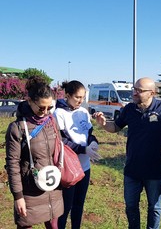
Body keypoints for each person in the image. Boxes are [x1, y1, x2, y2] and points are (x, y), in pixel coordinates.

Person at [93, 77, 161, 229]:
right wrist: (103, 124)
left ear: (151, 93)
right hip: (132, 169)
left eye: (139, 91)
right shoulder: (129, 109)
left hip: (155, 169)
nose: (134, 93)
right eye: (134, 89)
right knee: (130, 206)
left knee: (154, 208)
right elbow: (115, 127)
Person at [5, 76, 64, 229]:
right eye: (41, 108)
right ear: (29, 101)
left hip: (52, 188)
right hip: (29, 192)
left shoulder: (52, 121)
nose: (45, 112)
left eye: (49, 108)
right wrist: (18, 197)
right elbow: (12, 165)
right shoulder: (17, 128)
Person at [53, 80, 101, 229]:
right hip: (68, 168)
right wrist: (83, 149)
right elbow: (62, 141)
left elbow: (89, 134)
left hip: (84, 166)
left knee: (79, 205)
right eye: (77, 97)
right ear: (67, 95)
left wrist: (93, 142)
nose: (81, 101)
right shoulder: (59, 113)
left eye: (83, 97)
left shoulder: (83, 112)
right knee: (65, 207)